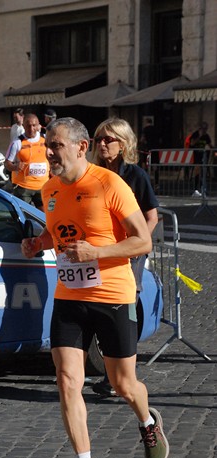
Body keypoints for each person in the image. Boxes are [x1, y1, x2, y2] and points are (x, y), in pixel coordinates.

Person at [21, 117, 169, 458]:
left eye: (56, 146)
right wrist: (39, 243)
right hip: (69, 297)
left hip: (112, 296)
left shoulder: (110, 184)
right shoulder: (49, 189)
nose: (49, 152)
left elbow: (142, 242)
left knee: (123, 384)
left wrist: (97, 252)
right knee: (67, 380)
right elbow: (57, 231)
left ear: (81, 146)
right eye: (47, 146)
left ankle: (147, 419)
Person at [90, 117, 159, 398]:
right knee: (102, 307)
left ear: (123, 143)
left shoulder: (135, 176)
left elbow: (151, 218)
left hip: (128, 254)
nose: (102, 144)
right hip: (102, 251)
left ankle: (121, 374)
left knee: (124, 308)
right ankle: (111, 371)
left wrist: (135, 244)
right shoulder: (93, 174)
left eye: (109, 139)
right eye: (99, 139)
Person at [4, 113, 49, 210]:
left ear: (38, 126)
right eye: (28, 126)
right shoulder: (17, 142)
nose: (31, 128)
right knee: (25, 215)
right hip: (23, 187)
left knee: (44, 217)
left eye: (34, 125)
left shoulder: (45, 139)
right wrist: (15, 167)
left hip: (42, 186)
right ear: (24, 126)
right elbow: (7, 163)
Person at [189, 122, 213, 197]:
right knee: (197, 170)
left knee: (202, 171)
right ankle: (196, 189)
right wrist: (199, 136)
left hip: (202, 155)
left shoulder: (206, 136)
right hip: (195, 154)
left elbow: (210, 145)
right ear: (200, 129)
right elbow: (192, 143)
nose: (205, 131)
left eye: (206, 129)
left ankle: (202, 188)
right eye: (203, 129)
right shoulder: (195, 134)